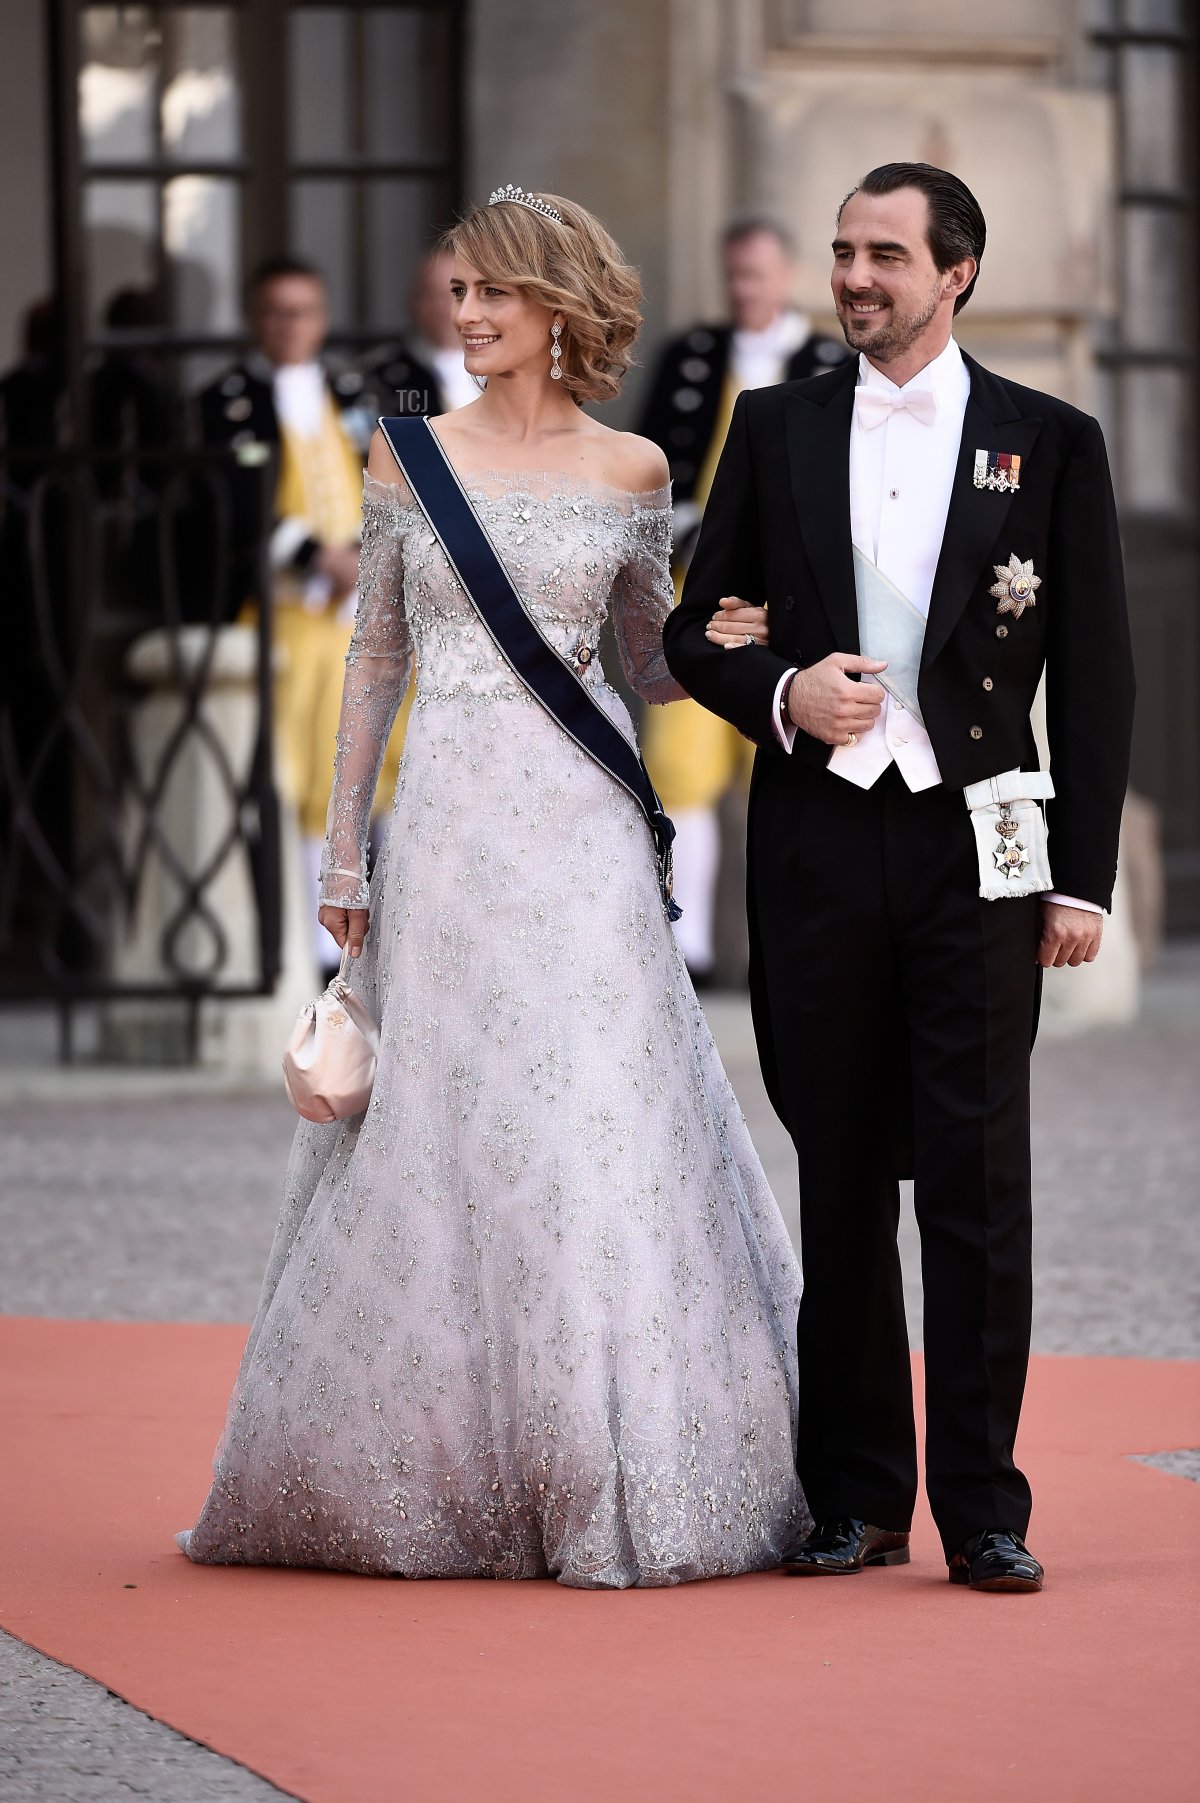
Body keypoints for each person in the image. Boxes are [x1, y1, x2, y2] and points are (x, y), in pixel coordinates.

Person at [179, 187, 806, 1587]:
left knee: (589, 1118)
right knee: (443, 1125)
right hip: (451, 835)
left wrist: (737, 637)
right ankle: (437, 1462)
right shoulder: (406, 455)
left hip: (583, 841)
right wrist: (347, 849)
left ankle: (602, 1457)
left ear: (558, 305)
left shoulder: (633, 467)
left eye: (491, 294)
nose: (464, 316)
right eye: (459, 293)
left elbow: (645, 663)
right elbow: (376, 658)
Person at [663, 163, 1135, 1593]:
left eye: (884, 254)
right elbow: (692, 631)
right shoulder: (778, 423)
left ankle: (984, 1505)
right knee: (842, 1166)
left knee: (979, 1177)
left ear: (957, 273)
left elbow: (1099, 674)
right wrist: (784, 688)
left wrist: (1082, 881)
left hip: (979, 846)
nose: (855, 276)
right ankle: (858, 1497)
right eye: (843, 251)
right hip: (818, 843)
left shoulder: (1050, 441)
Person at [638, 218, 847, 982]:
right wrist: (690, 532)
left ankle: (803, 945)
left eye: (756, 274)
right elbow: (651, 467)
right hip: (702, 594)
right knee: (680, 764)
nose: (744, 289)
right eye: (734, 275)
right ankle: (687, 948)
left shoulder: (833, 363)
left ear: (786, 275)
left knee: (800, 765)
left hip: (798, 606)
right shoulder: (689, 356)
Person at [199, 255, 409, 971]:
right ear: (255, 319)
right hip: (283, 615)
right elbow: (229, 505)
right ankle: (313, 947)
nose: (291, 325)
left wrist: (364, 555)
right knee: (303, 778)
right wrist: (314, 555)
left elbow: (392, 480)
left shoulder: (354, 391)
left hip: (362, 611)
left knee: (381, 770)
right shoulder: (223, 400)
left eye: (305, 311)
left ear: (323, 318)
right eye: (277, 312)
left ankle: (385, 935)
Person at [364, 247, 479, 417]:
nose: (442, 306)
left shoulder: (504, 368)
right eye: (430, 295)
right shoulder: (383, 377)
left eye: (456, 293)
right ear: (412, 301)